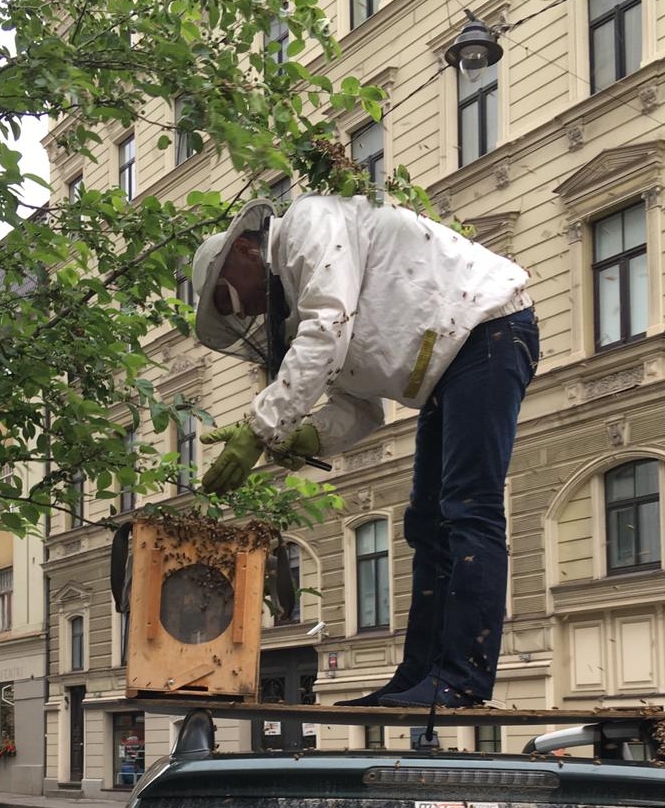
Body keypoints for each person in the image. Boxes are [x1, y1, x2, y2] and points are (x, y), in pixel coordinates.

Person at [191, 193, 540, 708]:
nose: (241, 310)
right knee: (426, 522)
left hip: (488, 332)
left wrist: (259, 429)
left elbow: (328, 327)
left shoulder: (309, 225)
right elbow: (362, 408)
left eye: (226, 298)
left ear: (243, 251)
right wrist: (310, 436)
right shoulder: (306, 289)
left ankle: (461, 678)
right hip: (455, 362)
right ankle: (418, 676)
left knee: (470, 509)